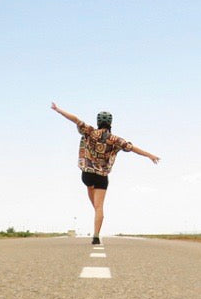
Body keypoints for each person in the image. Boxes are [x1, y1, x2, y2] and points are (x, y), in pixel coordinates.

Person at [51, 102, 160, 244]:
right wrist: (149, 155)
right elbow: (132, 148)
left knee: (94, 202)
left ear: (98, 122)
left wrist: (58, 110)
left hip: (87, 174)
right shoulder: (115, 140)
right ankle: (96, 236)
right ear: (110, 124)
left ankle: (96, 217)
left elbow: (75, 119)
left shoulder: (90, 132)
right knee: (99, 207)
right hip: (102, 177)